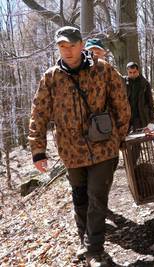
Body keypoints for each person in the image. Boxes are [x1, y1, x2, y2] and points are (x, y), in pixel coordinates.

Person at [28, 26, 131, 266]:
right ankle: (84, 241)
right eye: (63, 46)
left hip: (104, 148)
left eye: (72, 45)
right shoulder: (51, 78)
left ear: (82, 45)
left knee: (97, 197)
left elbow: (121, 104)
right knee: (80, 198)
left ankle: (94, 249)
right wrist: (38, 150)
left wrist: (119, 136)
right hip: (71, 152)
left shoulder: (103, 70)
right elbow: (39, 114)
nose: (68, 51)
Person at [124, 62, 154, 132]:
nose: (132, 74)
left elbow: (150, 103)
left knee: (139, 138)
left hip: (140, 117)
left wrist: (152, 120)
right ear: (127, 72)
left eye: (134, 72)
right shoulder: (123, 83)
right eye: (130, 72)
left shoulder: (144, 83)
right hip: (127, 117)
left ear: (138, 71)